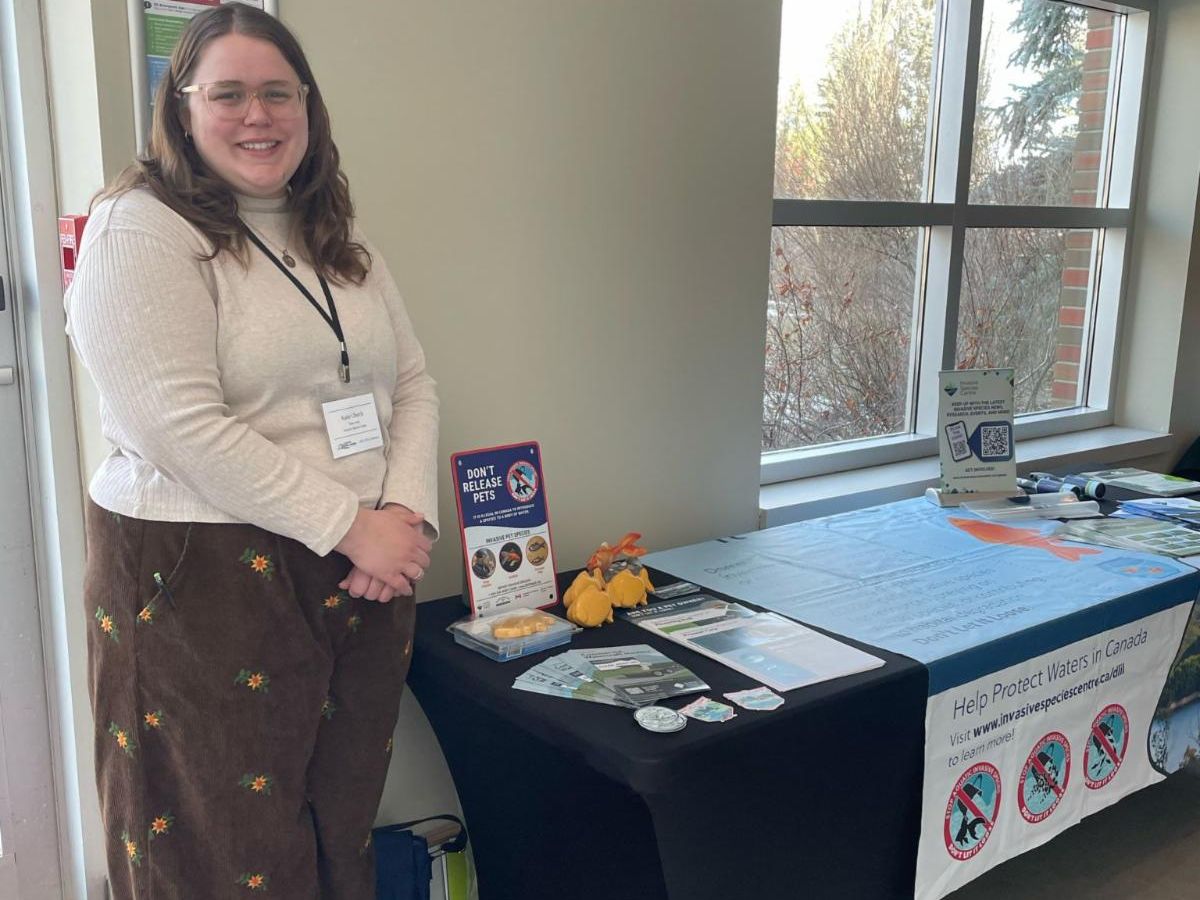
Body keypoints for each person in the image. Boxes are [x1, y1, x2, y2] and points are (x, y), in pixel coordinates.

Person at [65, 6, 437, 897]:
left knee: (339, 827)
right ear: (181, 107)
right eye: (227, 94)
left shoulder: (335, 236)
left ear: (308, 106)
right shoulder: (141, 229)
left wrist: (403, 515)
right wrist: (353, 525)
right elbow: (175, 423)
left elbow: (413, 382)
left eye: (279, 92)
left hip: (362, 572)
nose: (257, 115)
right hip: (205, 576)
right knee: (217, 852)